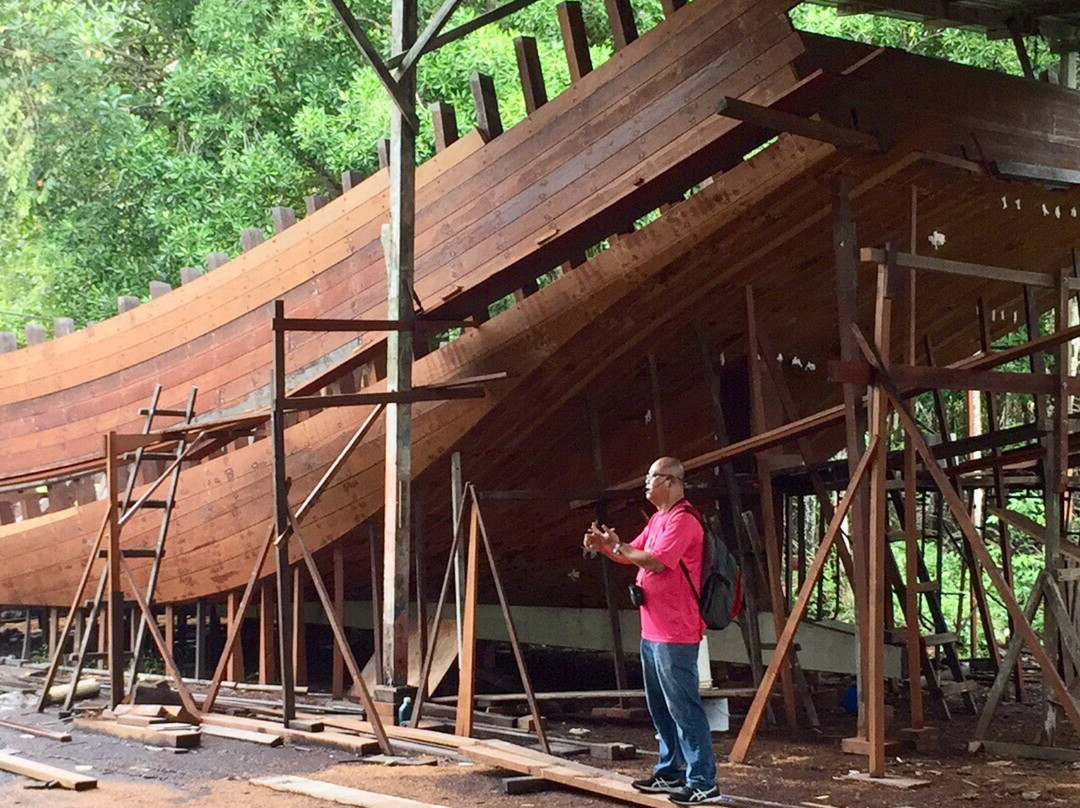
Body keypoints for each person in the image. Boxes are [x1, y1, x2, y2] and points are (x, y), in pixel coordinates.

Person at [583, 457, 722, 806]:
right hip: (652, 629)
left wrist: (618, 547)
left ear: (672, 482)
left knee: (684, 708)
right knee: (660, 706)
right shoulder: (659, 518)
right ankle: (670, 771)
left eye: (652, 478)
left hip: (676, 631)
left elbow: (657, 561)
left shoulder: (683, 521)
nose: (646, 483)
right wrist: (606, 546)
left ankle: (703, 781)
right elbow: (632, 554)